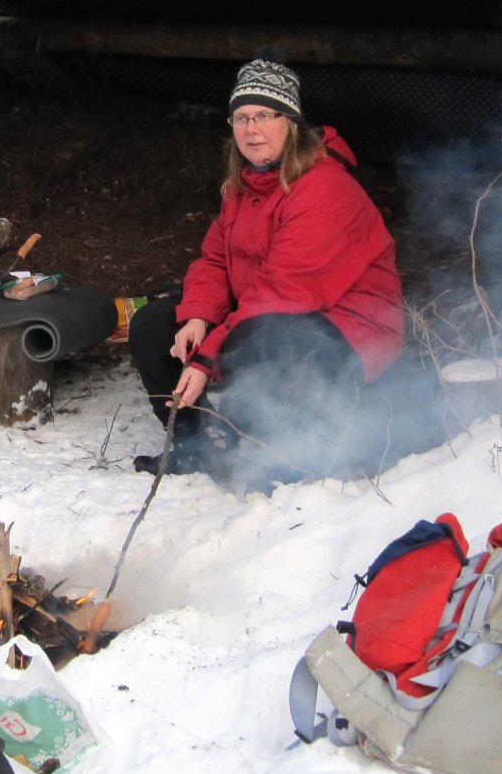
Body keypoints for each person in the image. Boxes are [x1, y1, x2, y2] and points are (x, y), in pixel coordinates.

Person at [127, 55, 405, 487]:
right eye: (240, 117)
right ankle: (196, 446)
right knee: (153, 325)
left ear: (290, 122)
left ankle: (281, 457)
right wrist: (197, 315)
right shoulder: (246, 183)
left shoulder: (324, 190)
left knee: (262, 339)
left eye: (264, 115)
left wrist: (204, 358)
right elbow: (214, 259)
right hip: (267, 310)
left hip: (348, 328)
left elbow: (282, 293)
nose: (250, 129)